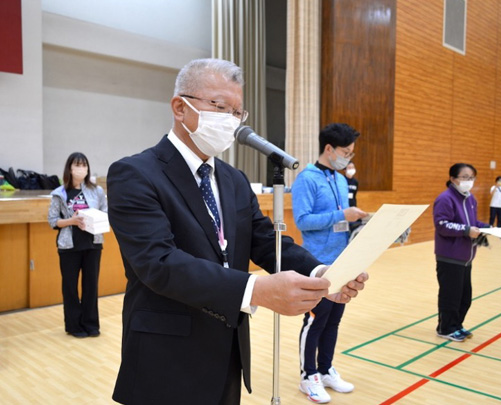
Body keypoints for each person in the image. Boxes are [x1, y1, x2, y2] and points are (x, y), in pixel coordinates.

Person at [106, 58, 368, 405]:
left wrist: (321, 273)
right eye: (219, 106)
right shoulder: (135, 174)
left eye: (237, 112)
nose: (230, 120)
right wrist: (254, 289)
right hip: (165, 356)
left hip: (227, 351)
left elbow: (264, 240)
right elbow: (159, 263)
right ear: (180, 108)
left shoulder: (233, 179)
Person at [291, 123, 368, 404]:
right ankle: (307, 375)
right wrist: (341, 215)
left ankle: (325, 369)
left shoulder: (339, 178)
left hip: (342, 259)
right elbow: (303, 221)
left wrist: (358, 220)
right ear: (329, 149)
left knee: (334, 321)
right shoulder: (306, 179)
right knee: (315, 321)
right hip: (316, 262)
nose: (348, 157)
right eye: (345, 152)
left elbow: (342, 217)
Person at [47, 152, 107, 338]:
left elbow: (106, 211)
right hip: (69, 246)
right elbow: (52, 221)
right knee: (70, 287)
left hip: (92, 244)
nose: (81, 169)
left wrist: (97, 219)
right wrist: (71, 221)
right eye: (77, 165)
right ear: (70, 168)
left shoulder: (96, 191)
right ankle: (74, 326)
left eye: (84, 165)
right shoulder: (60, 193)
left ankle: (90, 324)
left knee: (91, 286)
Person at [433, 163, 490, 342]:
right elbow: (442, 225)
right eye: (464, 177)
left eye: (472, 177)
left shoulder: (470, 199)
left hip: (466, 257)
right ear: (453, 179)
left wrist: (488, 228)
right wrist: (466, 231)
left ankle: (456, 325)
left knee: (464, 297)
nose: (469, 181)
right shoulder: (446, 198)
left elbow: (472, 222)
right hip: (450, 257)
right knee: (450, 296)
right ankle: (445, 328)